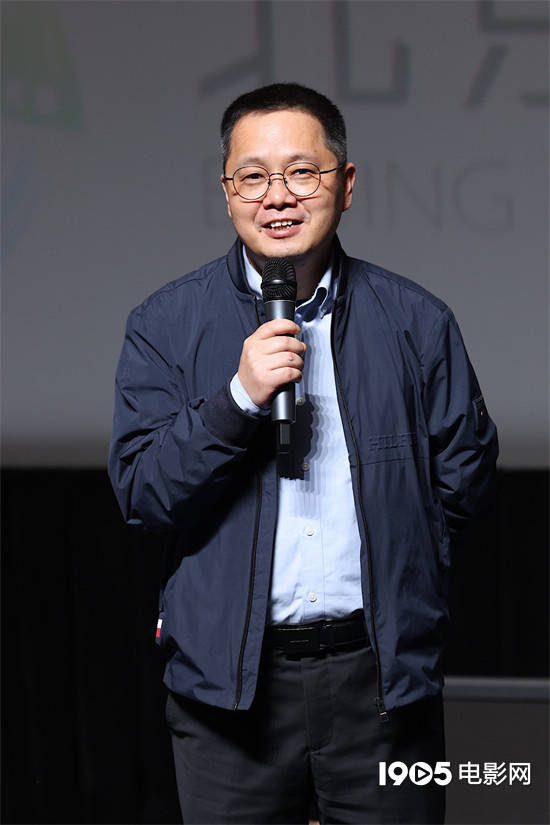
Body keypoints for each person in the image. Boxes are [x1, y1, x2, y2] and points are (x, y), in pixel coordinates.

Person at [108, 83, 498, 824]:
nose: (277, 196)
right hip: (230, 693)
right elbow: (144, 494)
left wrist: (407, 585)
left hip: (381, 683)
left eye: (301, 172)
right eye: (252, 176)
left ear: (345, 185)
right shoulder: (165, 323)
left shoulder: (417, 321)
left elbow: (463, 484)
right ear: (227, 192)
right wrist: (238, 400)